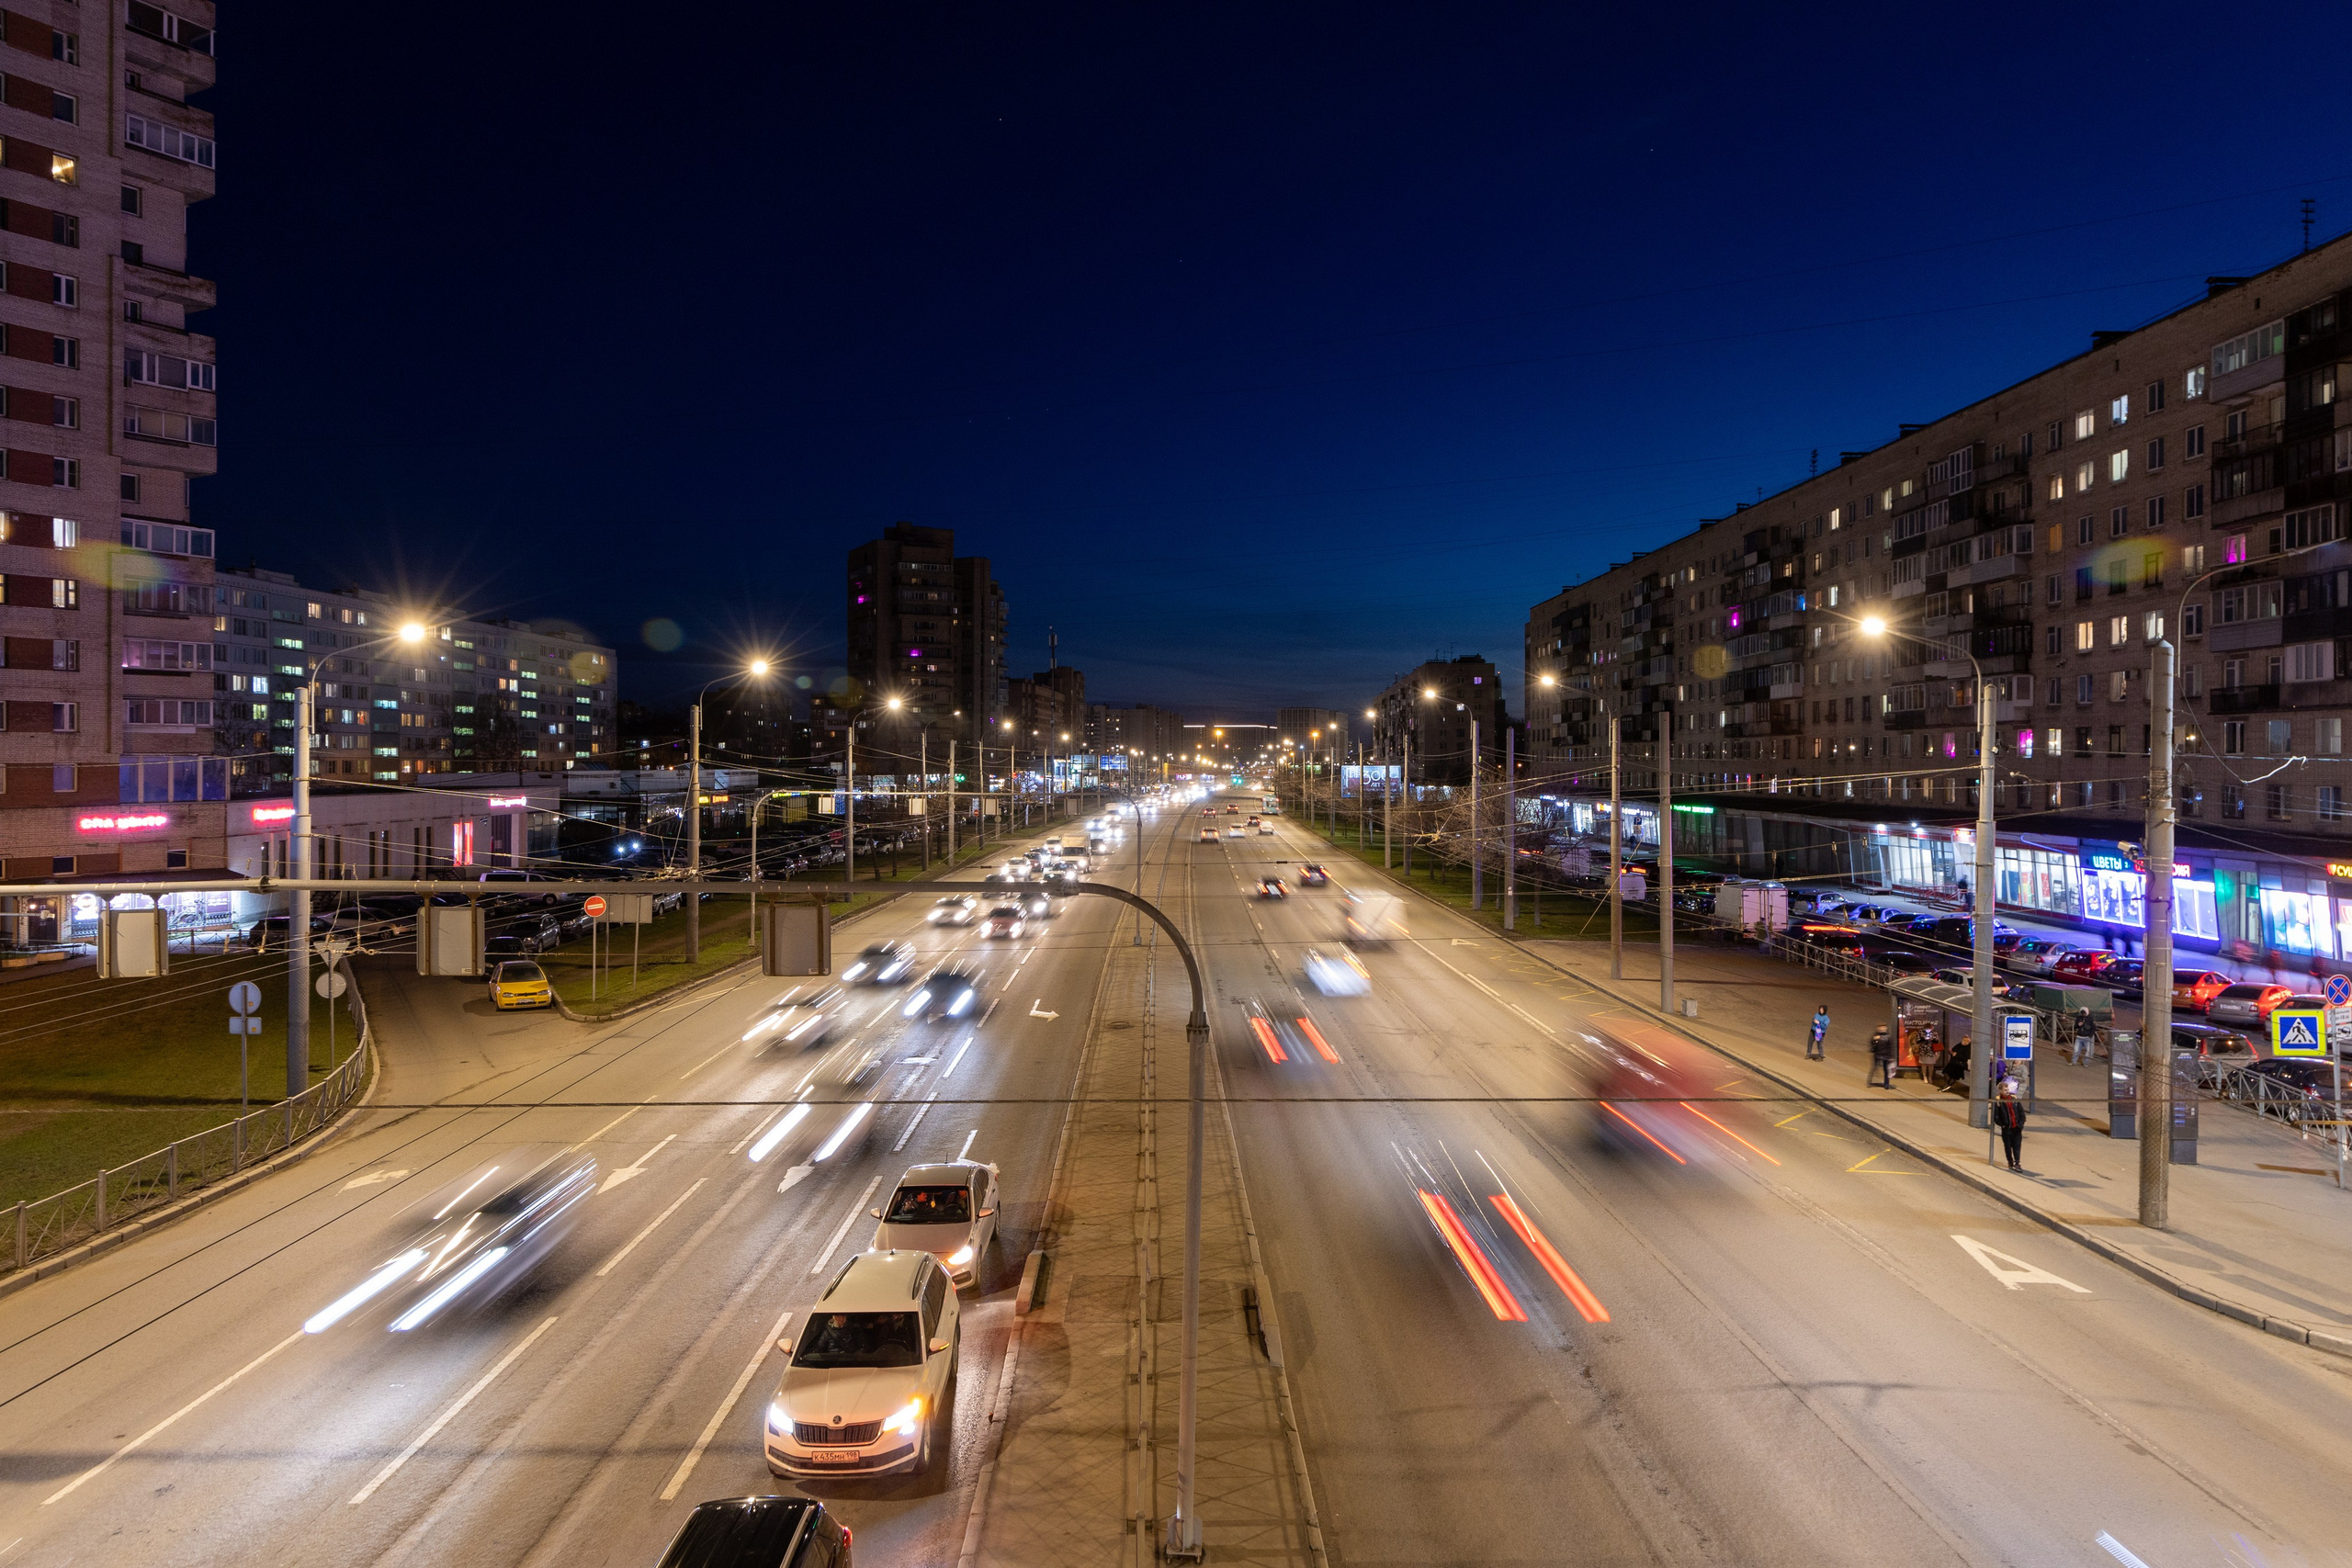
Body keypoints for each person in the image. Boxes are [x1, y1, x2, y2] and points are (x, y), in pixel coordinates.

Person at [1993, 1080, 2028, 1171]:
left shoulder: (2014, 1100)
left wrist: (2021, 1123)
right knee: (2008, 1146)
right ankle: (2010, 1162)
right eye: (2005, 1090)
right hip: (2007, 1128)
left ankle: (2017, 1163)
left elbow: (2021, 1113)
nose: (2007, 1092)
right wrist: (2003, 1124)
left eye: (2007, 1090)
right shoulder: (1998, 1102)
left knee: (2017, 1145)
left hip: (2016, 1127)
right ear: (2000, 1091)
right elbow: (1996, 1116)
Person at [1868, 1025, 1894, 1089]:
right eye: (1881, 1027)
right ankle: (1869, 1082)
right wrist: (1874, 1039)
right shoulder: (1876, 1035)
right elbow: (1872, 1043)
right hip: (1878, 1054)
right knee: (1874, 1068)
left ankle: (1886, 1084)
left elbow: (1890, 1047)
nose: (1882, 1029)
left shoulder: (1888, 1037)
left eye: (1884, 1027)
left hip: (1885, 1055)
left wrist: (1891, 1056)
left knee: (1886, 1070)